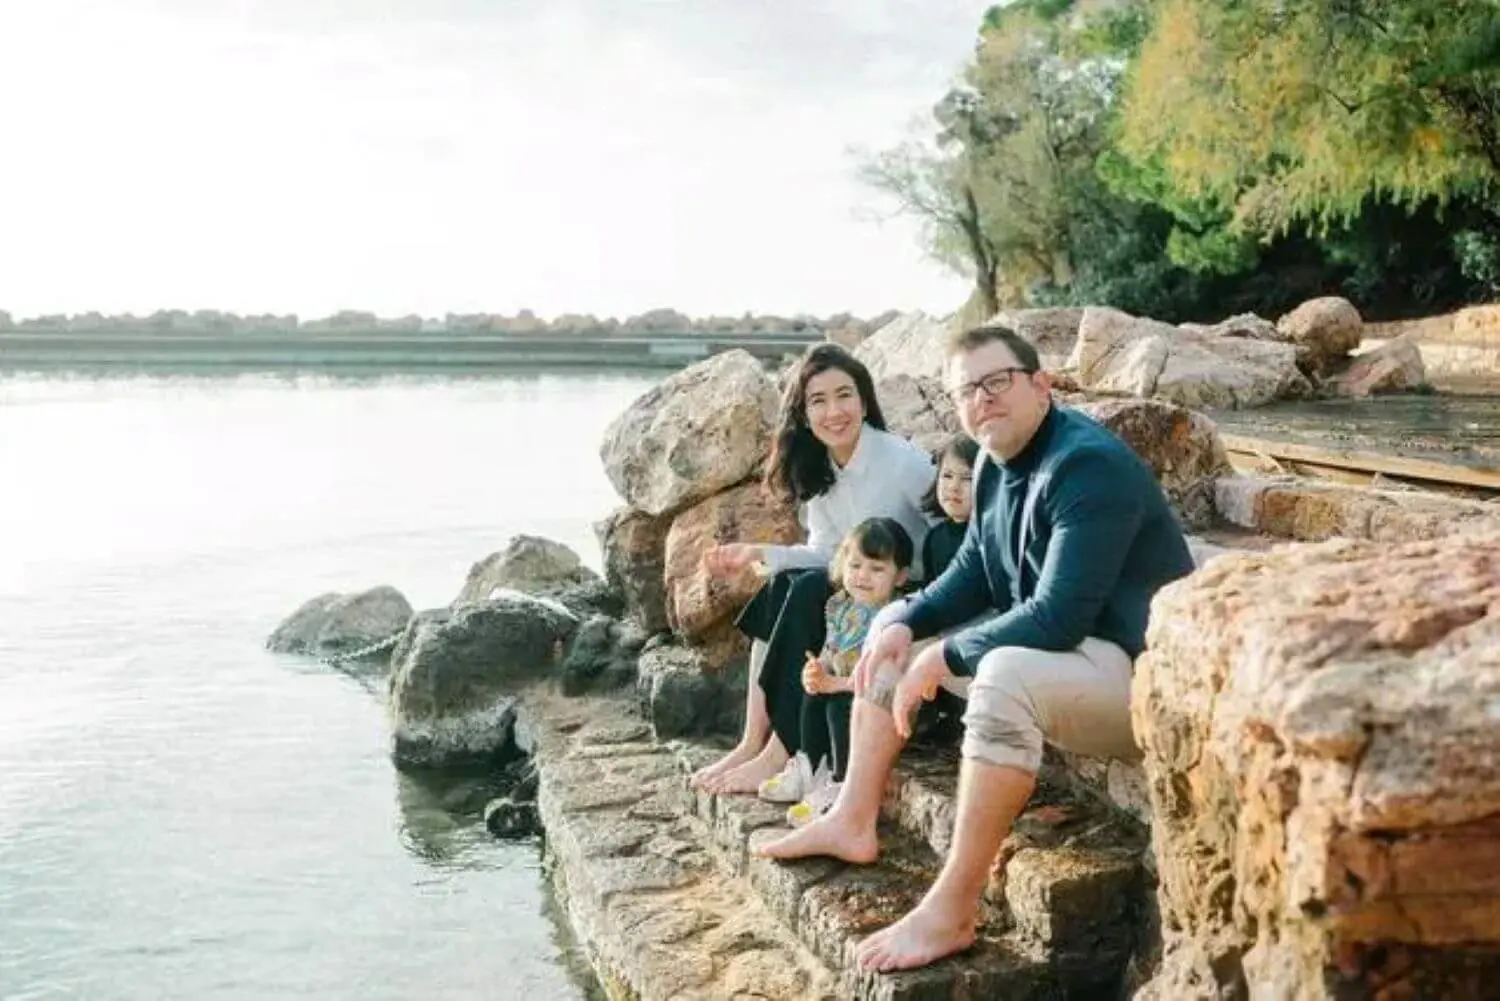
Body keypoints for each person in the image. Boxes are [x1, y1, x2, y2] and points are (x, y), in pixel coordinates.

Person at [754, 324, 1195, 974]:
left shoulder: (1086, 465)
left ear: (1041, 384)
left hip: (1134, 671)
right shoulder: (992, 461)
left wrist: (945, 655)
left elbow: (1059, 613)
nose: (983, 399)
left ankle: (954, 906)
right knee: (890, 625)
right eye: (968, 389)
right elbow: (978, 572)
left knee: (1000, 671)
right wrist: (910, 618)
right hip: (1073, 658)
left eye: (999, 381)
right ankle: (852, 816)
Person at [691, 343, 935, 795]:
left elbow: (949, 529)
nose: (834, 411)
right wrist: (759, 553)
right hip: (859, 585)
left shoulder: (901, 461)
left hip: (906, 592)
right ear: (803, 414)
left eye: (845, 395)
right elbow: (827, 552)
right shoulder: (820, 469)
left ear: (864, 401)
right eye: (818, 401)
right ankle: (751, 742)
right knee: (782, 584)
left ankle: (775, 756)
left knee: (803, 590)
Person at [762, 517, 914, 828]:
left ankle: (841, 782)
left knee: (839, 707)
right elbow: (832, 649)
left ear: (900, 576)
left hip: (877, 699)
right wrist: (819, 670)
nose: (862, 577)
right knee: (813, 693)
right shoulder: (840, 606)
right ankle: (810, 767)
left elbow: (881, 678)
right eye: (855, 565)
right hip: (842, 683)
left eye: (877, 569)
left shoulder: (893, 618)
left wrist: (836, 684)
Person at [919, 433, 979, 583]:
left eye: (968, 478)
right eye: (947, 476)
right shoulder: (934, 538)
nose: (954, 487)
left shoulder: (992, 537)